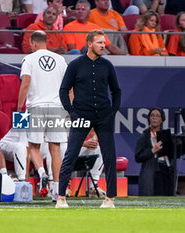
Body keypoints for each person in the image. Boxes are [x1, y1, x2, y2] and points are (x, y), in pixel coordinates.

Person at [57, 29, 121, 208]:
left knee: (109, 156)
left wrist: (112, 111)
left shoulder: (107, 65)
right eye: (100, 42)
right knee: (70, 154)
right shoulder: (75, 65)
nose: (103, 46)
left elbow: (116, 91)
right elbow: (63, 90)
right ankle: (61, 197)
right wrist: (71, 111)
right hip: (81, 115)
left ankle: (110, 199)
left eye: (104, 43)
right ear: (89, 44)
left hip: (103, 116)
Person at [17, 30, 68, 201]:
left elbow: (25, 82)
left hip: (36, 107)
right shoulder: (60, 60)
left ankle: (41, 172)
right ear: (46, 42)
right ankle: (57, 191)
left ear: (33, 43)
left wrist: (19, 107)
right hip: (57, 107)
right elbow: (69, 86)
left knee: (33, 146)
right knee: (55, 149)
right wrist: (69, 107)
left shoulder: (29, 59)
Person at [135, 108, 174, 196]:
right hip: (152, 171)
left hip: (166, 170)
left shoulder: (166, 135)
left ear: (162, 119)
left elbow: (173, 154)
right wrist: (152, 150)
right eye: (152, 116)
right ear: (149, 119)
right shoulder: (144, 135)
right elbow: (138, 157)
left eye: (157, 116)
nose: (154, 118)